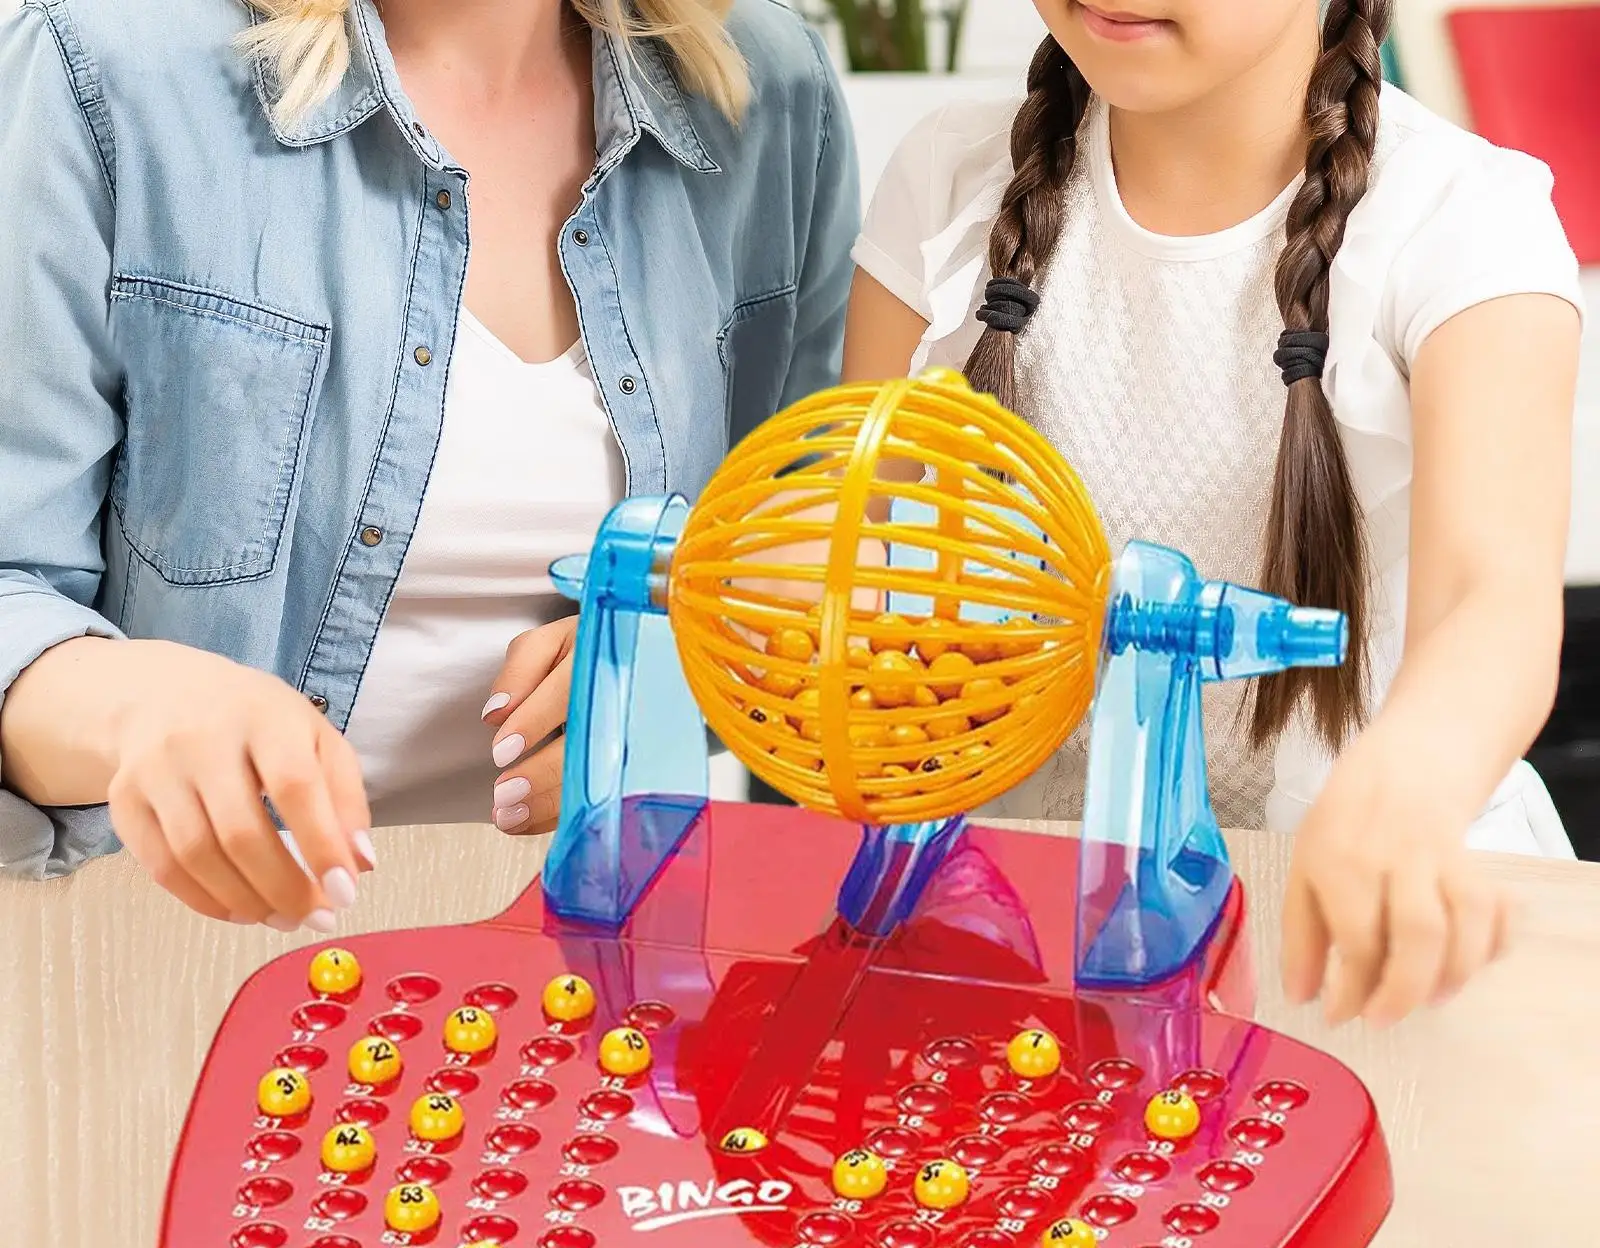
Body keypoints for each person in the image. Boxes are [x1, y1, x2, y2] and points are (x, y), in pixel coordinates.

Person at [0, 0, 857, 929]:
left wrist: (697, 653)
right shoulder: (100, 67)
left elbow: (805, 573)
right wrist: (141, 711)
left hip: (605, 976)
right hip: (175, 966)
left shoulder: (770, 89)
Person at [842, 0, 1583, 1026]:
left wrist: (1408, 780)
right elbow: (846, 533)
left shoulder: (1465, 217)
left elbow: (1491, 604)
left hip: (1374, 949)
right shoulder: (948, 172)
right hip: (1032, 942)